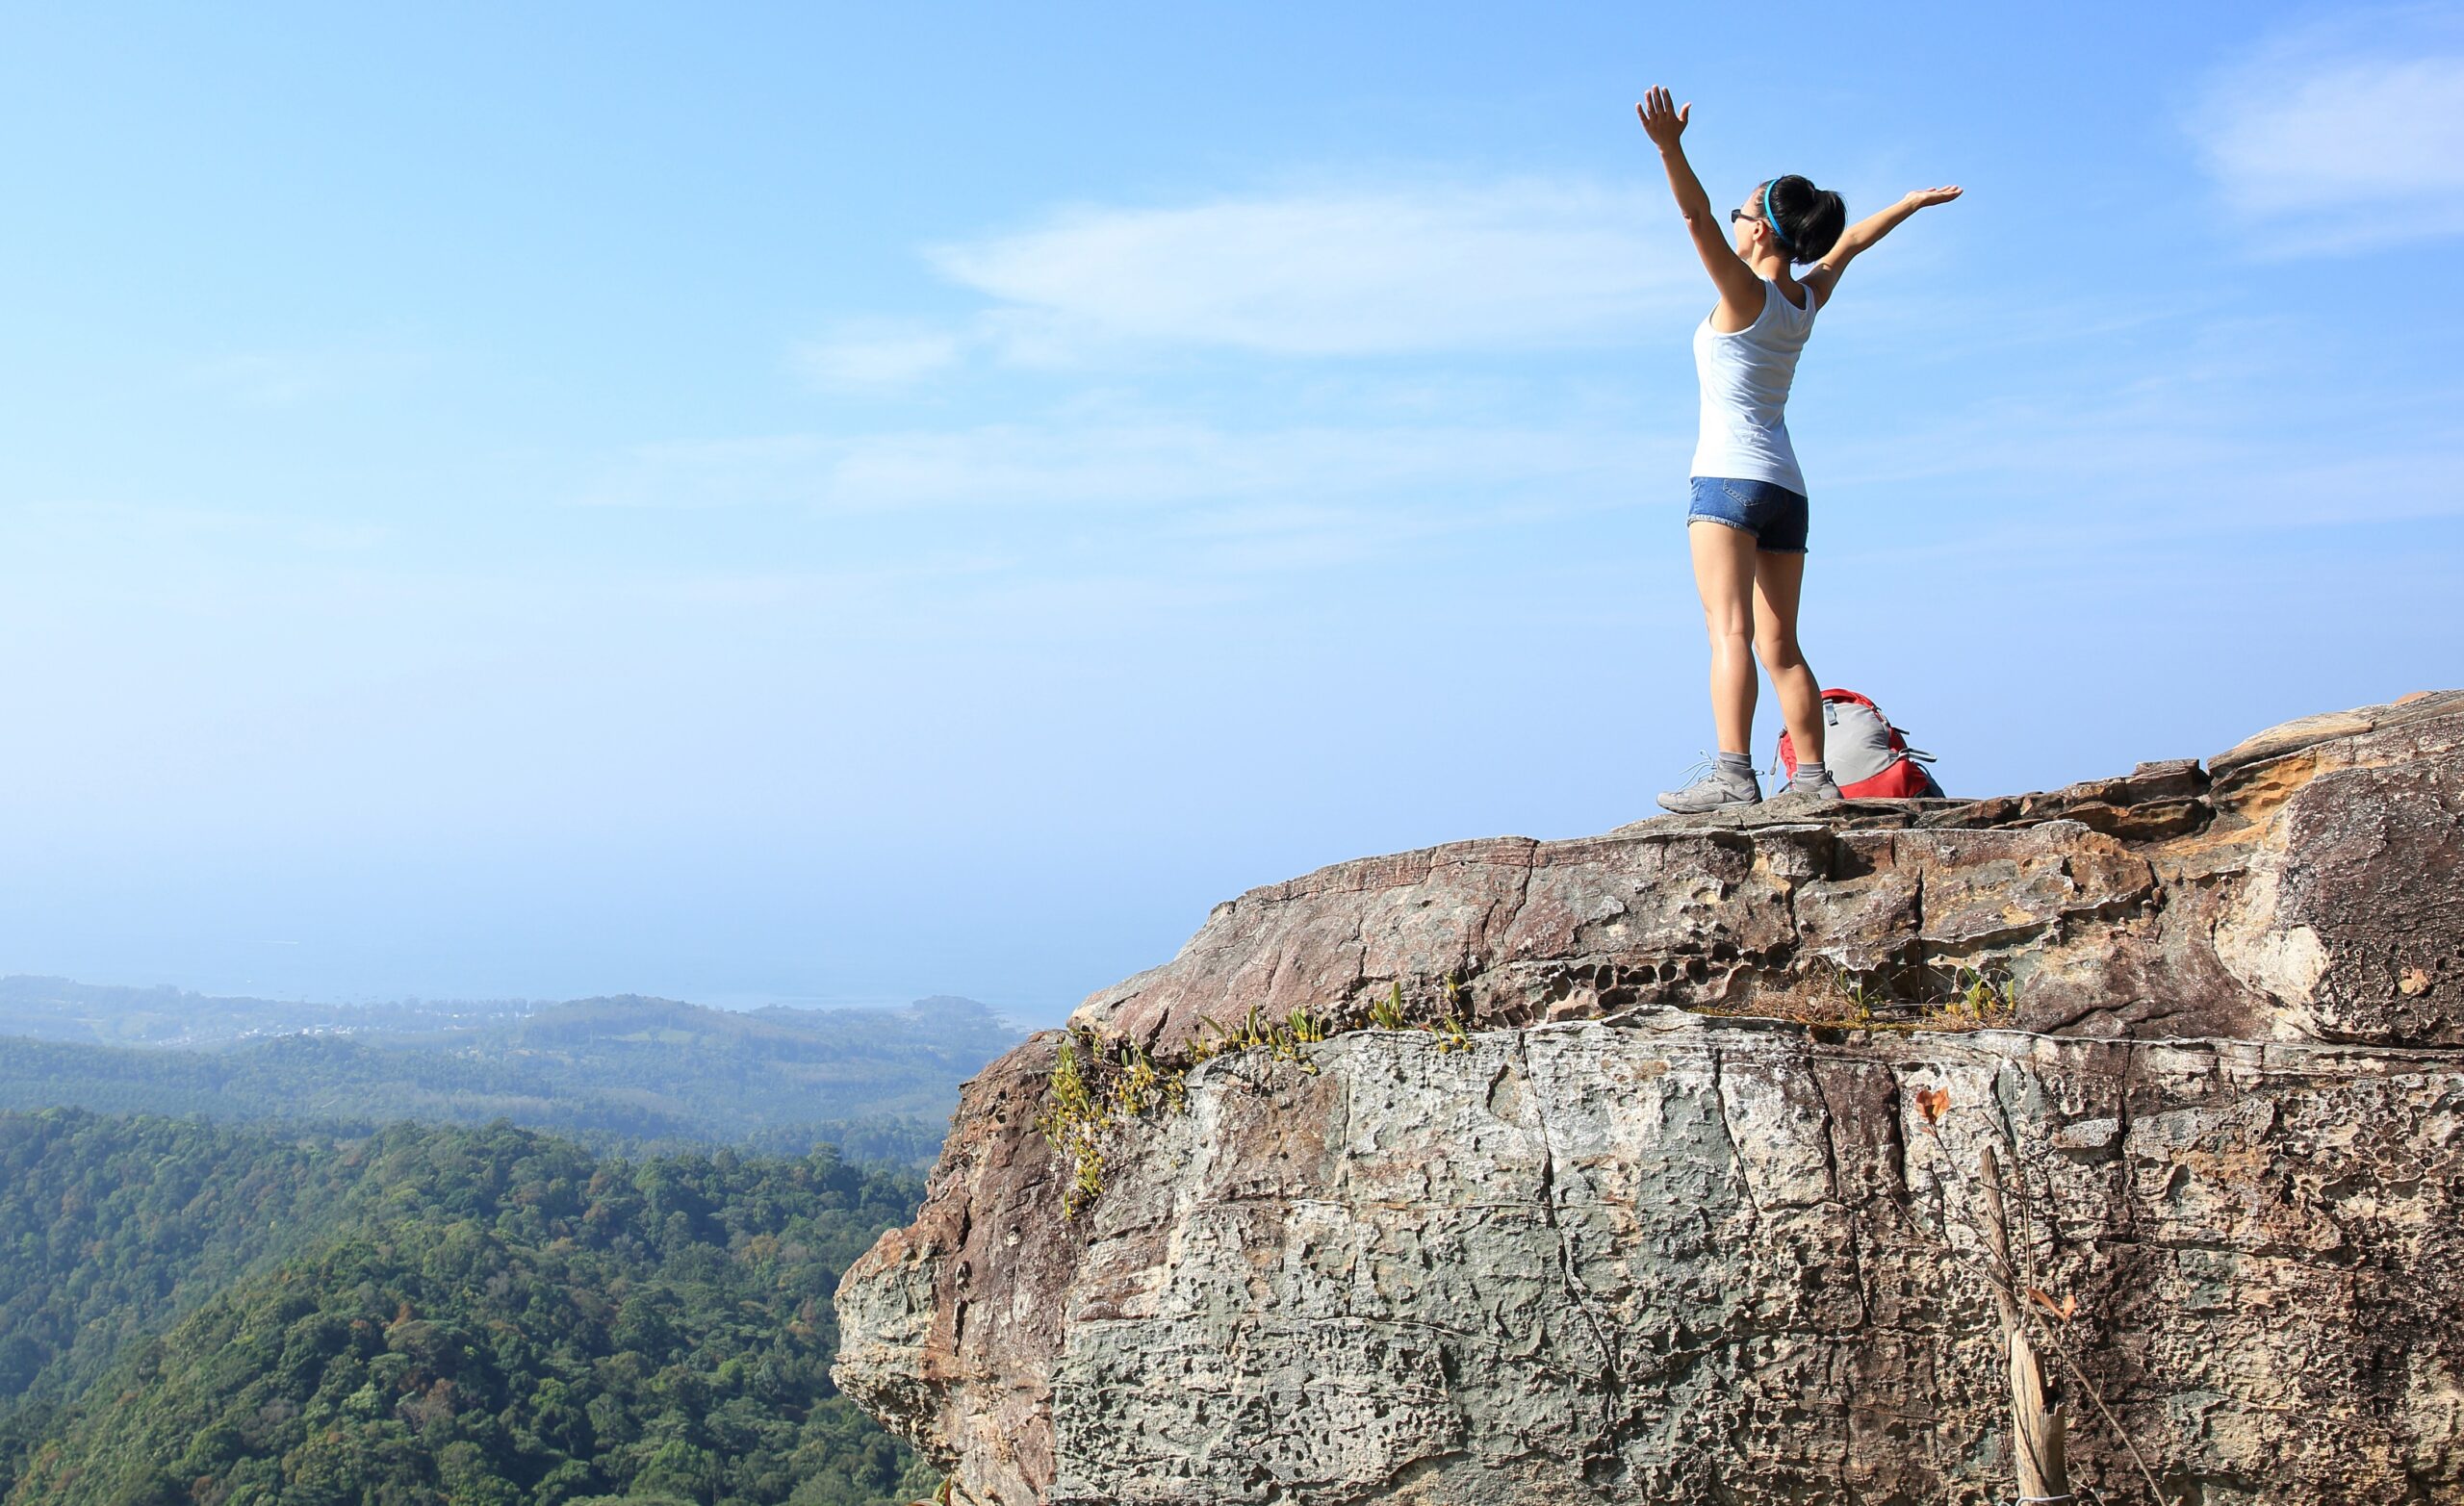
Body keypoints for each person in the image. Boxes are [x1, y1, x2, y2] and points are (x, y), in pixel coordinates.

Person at [1634, 84, 1960, 813]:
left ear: (1760, 234)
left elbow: (1692, 216)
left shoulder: (1743, 296)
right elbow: (1849, 246)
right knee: (1783, 645)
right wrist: (1905, 206)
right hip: (1788, 491)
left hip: (1726, 483)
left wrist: (1669, 149)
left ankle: (1733, 774)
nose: (1733, 223)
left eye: (1742, 215)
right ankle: (1812, 779)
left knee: (1730, 632)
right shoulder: (1802, 303)